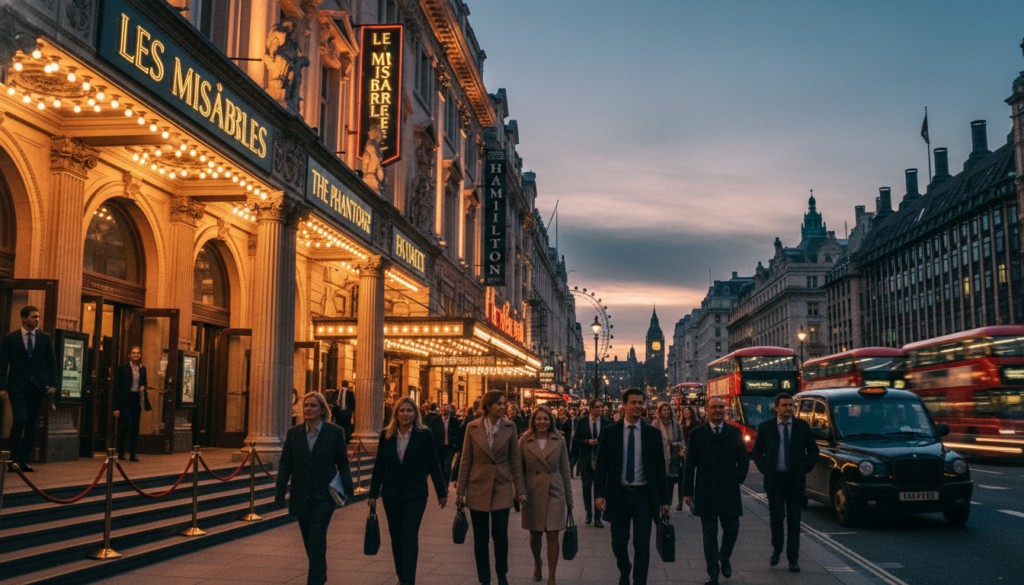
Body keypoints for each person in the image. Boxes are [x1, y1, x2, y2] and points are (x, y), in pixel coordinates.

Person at [275, 391, 354, 585]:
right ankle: (321, 571)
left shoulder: (334, 432)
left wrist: (348, 488)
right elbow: (286, 463)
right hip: (301, 494)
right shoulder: (294, 434)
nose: (308, 409)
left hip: (324, 495)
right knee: (308, 539)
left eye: (312, 405)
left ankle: (315, 580)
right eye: (306, 405)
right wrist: (279, 491)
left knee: (317, 537)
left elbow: (342, 462)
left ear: (322, 410)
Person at [369, 397, 448, 585]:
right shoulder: (386, 435)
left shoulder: (424, 434)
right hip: (391, 493)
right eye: (402, 410)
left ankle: (408, 581)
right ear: (396, 413)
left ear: (415, 414)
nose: (405, 414)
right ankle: (402, 576)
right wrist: (373, 493)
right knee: (396, 538)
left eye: (409, 410)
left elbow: (433, 464)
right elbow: (380, 465)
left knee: (409, 536)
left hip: (416, 493)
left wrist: (441, 491)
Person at [595, 389, 671, 585]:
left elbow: (660, 469)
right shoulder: (610, 432)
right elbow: (601, 466)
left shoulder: (652, 434)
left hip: (643, 496)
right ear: (624, 405)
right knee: (618, 542)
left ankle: (639, 581)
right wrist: (599, 494)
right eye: (634, 402)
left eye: (640, 402)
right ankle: (624, 567)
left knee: (642, 544)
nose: (638, 406)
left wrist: (665, 500)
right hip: (618, 495)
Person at [457, 391, 526, 585]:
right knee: (480, 539)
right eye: (499, 404)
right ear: (488, 407)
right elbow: (466, 460)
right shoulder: (472, 427)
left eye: (503, 403)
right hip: (478, 487)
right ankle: (484, 579)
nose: (503, 407)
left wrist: (520, 490)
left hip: (502, 486)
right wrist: (460, 491)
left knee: (500, 535)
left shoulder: (510, 427)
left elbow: (515, 460)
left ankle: (502, 574)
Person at [682, 397, 749, 584]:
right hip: (706, 491)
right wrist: (687, 492)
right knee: (709, 534)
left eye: (721, 407)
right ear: (706, 410)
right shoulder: (697, 434)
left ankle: (724, 556)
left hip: (729, 491)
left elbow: (743, 461)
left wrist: (737, 479)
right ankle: (713, 572)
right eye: (714, 407)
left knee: (732, 529)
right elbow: (690, 465)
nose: (718, 410)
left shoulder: (735, 432)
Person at [751, 393, 819, 573]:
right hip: (775, 479)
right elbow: (757, 452)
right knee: (777, 517)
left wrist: (804, 468)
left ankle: (793, 559)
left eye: (791, 405)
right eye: (785, 405)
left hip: (795, 479)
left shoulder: (802, 426)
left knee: (794, 521)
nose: (789, 408)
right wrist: (766, 468)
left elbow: (813, 451)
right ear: (776, 407)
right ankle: (777, 547)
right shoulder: (766, 427)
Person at [519, 405, 573, 585]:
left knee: (553, 534)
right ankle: (537, 561)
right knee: (535, 534)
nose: (542, 422)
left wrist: (569, 499)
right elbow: (519, 470)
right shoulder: (524, 440)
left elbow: (565, 470)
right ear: (533, 421)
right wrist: (519, 492)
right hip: (532, 492)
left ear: (551, 421)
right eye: (539, 418)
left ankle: (552, 576)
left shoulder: (560, 440)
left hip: (555, 491)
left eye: (546, 419)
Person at [0, 306, 56, 472]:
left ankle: (25, 460)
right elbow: (3, 363)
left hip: (37, 386)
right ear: (24, 318)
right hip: (17, 386)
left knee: (32, 424)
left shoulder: (44, 337)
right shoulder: (11, 338)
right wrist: (1, 387)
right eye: (33, 317)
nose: (37, 319)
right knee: (20, 419)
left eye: (38, 317)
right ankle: (11, 458)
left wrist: (52, 384)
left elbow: (51, 361)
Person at [572, 398, 611, 527]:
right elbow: (576, 439)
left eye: (601, 407)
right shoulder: (582, 422)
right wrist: (587, 442)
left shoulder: (606, 423)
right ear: (591, 408)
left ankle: (598, 517)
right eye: (597, 407)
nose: (600, 410)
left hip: (600, 461)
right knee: (586, 487)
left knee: (599, 489)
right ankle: (588, 511)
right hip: (586, 461)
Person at [112, 346, 152, 462]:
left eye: (138, 353)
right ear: (129, 355)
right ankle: (121, 451)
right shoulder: (123, 368)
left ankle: (133, 453)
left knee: (135, 426)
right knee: (127, 424)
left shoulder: (142, 368)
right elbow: (116, 388)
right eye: (133, 353)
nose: (136, 355)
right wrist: (116, 407)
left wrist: (143, 386)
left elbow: (144, 382)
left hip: (137, 398)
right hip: (125, 399)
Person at [651, 402, 685, 508]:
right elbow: (651, 441)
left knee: (669, 485)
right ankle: (660, 507)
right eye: (664, 410)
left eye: (668, 410)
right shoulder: (655, 424)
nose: (666, 412)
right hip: (659, 458)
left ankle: (668, 507)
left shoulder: (676, 425)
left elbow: (682, 441)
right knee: (660, 484)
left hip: (673, 459)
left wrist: (675, 445)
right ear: (660, 412)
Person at [430, 402, 462, 484]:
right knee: (441, 466)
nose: (444, 410)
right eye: (443, 408)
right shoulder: (435, 420)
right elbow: (432, 434)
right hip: (439, 447)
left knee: (448, 466)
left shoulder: (454, 421)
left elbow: (458, 434)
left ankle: (445, 485)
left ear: (450, 409)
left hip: (450, 448)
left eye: (446, 408)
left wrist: (458, 447)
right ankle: (442, 482)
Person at [676, 405, 699, 509]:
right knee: (681, 478)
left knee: (693, 478)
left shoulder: (697, 424)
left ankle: (693, 502)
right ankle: (680, 501)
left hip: (694, 452)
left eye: (688, 412)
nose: (686, 413)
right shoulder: (680, 424)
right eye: (685, 412)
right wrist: (680, 450)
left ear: (691, 413)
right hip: (683, 453)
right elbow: (677, 439)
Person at [560, 409, 579, 478]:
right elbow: (562, 430)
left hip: (575, 441)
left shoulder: (577, 421)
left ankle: (572, 466)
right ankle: (570, 469)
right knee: (570, 456)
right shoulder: (566, 421)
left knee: (576, 456)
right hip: (568, 440)